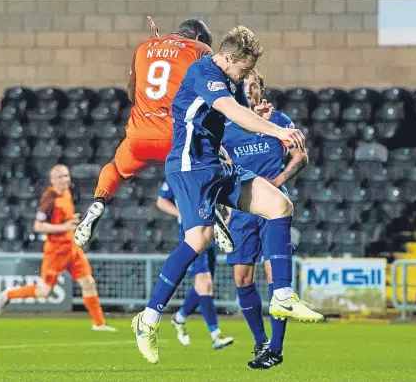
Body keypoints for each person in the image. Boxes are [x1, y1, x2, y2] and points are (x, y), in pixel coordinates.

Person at [131, 25, 323, 365]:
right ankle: (147, 319)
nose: (246, 76)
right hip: (190, 167)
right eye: (244, 69)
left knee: (280, 205)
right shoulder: (204, 71)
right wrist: (277, 129)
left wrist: (259, 117)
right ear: (230, 58)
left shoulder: (229, 77)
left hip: (217, 166)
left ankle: (282, 295)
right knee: (198, 240)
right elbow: (233, 112)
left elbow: (235, 118)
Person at [74, 18, 213, 248]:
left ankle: (99, 200)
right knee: (206, 165)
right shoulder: (200, 49)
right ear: (199, 37)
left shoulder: (143, 47)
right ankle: (210, 210)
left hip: (139, 137)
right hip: (175, 138)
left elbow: (131, 94)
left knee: (115, 169)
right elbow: (209, 93)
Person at [221, 69, 309, 369]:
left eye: (254, 85)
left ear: (262, 89)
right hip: (244, 207)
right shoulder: (226, 124)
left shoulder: (280, 121)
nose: (250, 91)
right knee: (242, 278)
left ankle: (276, 348)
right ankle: (260, 342)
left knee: (276, 277)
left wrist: (278, 180)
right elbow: (222, 161)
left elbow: (301, 156)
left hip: (273, 206)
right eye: (244, 86)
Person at [0, 165, 116, 332]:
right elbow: (38, 226)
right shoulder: (49, 198)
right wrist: (65, 226)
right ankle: (9, 294)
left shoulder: (67, 193)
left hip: (72, 247)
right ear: (53, 180)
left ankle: (99, 323)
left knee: (88, 282)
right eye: (61, 177)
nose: (66, 179)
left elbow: (61, 220)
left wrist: (70, 221)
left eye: (67, 176)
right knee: (44, 291)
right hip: (56, 250)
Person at [156, 181, 234, 350]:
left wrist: (229, 213)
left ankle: (180, 318)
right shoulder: (178, 172)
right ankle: (216, 335)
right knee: (205, 285)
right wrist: (180, 213)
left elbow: (222, 192)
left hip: (213, 229)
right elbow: (161, 200)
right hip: (192, 232)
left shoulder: (210, 168)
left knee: (203, 287)